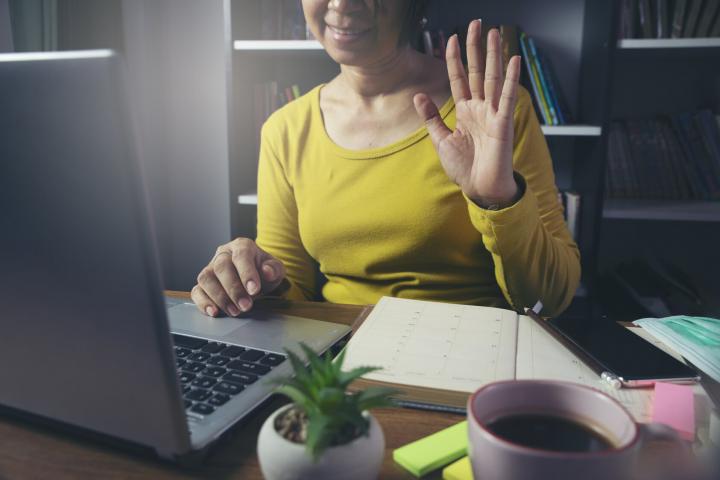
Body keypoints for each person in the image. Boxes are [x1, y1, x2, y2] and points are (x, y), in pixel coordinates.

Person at [192, 0, 580, 319]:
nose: (341, 4)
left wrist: (499, 201)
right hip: (341, 365)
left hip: (469, 359)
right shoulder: (285, 129)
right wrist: (254, 277)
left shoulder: (490, 115)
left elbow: (550, 300)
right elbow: (292, 290)